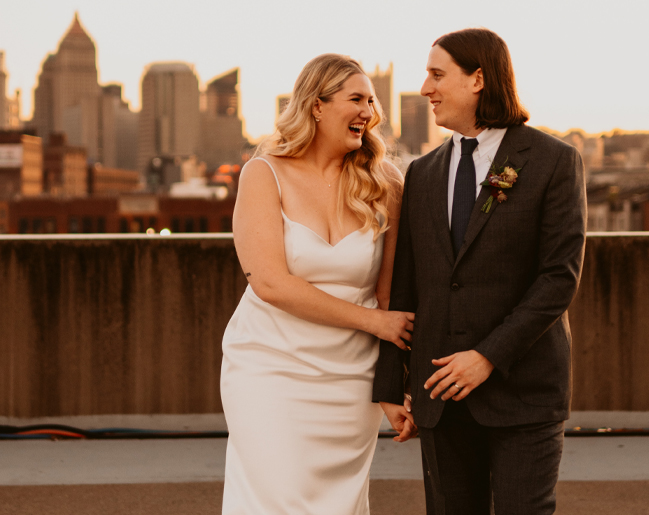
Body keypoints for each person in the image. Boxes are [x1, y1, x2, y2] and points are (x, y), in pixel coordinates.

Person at [373, 28, 587, 515]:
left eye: (436, 74)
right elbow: (405, 285)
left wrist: (487, 356)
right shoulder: (421, 173)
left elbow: (558, 278)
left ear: (478, 80)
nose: (425, 88)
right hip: (439, 399)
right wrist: (390, 387)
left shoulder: (553, 161)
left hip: (524, 392)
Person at [220, 53, 416, 515]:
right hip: (268, 367)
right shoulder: (263, 173)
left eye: (372, 100)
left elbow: (388, 295)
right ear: (316, 106)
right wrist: (374, 321)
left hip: (351, 378)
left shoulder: (386, 182)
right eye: (356, 98)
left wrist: (390, 389)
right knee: (275, 497)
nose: (368, 111)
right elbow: (270, 283)